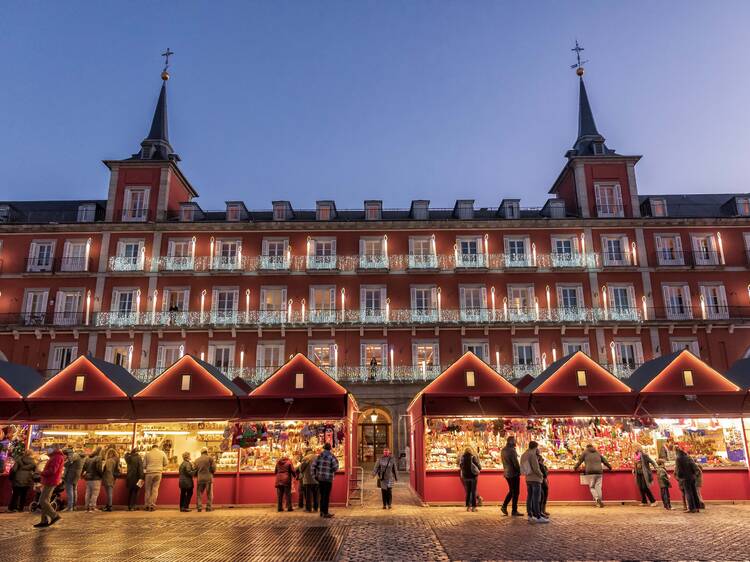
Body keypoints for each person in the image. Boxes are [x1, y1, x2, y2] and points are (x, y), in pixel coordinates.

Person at [33, 447, 65, 528]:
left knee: (42, 501)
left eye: (48, 449)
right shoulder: (55, 457)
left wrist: (41, 472)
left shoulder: (56, 457)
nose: (47, 451)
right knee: (45, 501)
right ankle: (44, 520)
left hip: (50, 481)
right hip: (49, 480)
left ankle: (54, 516)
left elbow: (52, 470)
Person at [573, 444, 612, 508]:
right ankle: (600, 501)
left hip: (590, 472)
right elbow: (604, 461)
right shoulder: (597, 452)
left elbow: (580, 461)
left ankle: (597, 500)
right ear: (592, 447)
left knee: (592, 487)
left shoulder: (585, 452)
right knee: (598, 487)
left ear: (587, 447)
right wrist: (610, 467)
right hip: (599, 472)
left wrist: (575, 467)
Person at [520, 441, 548, 523]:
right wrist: (541, 475)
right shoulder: (532, 455)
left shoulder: (524, 454)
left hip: (528, 478)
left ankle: (530, 514)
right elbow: (536, 468)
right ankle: (538, 516)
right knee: (536, 498)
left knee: (529, 497)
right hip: (535, 478)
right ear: (535, 447)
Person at [312, 443, 339, 518]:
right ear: (330, 449)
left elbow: (313, 466)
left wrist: (314, 476)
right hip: (328, 479)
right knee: (326, 496)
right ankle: (325, 512)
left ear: (324, 448)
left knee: (321, 495)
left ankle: (321, 512)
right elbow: (335, 468)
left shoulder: (319, 456)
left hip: (320, 479)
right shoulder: (331, 456)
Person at [8, 446, 36, 512]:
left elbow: (13, 470)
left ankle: (13, 508)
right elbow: (35, 473)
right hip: (27, 480)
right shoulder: (33, 463)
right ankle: (21, 508)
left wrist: (11, 478)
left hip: (17, 479)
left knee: (15, 494)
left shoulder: (19, 460)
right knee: (24, 495)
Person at [500, 436, 522, 517]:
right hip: (513, 473)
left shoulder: (503, 450)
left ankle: (504, 506)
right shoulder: (512, 451)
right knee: (515, 492)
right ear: (511, 442)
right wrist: (519, 471)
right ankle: (514, 510)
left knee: (512, 491)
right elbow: (515, 463)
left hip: (507, 473)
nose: (515, 442)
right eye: (514, 441)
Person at [143, 444, 168, 511]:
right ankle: (152, 505)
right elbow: (166, 463)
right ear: (158, 447)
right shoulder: (162, 453)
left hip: (149, 473)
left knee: (148, 489)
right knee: (155, 489)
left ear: (152, 448)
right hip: (158, 472)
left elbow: (144, 465)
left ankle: (146, 505)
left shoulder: (147, 454)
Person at [675, 448, 700, 513]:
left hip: (685, 478)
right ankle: (697, 507)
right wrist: (695, 475)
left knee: (688, 493)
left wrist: (679, 477)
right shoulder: (688, 457)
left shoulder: (678, 459)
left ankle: (691, 508)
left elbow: (678, 469)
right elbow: (694, 466)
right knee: (694, 492)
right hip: (692, 477)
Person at [458, 446, 481, 512]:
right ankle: (474, 507)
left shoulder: (462, 458)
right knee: (473, 492)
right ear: (471, 451)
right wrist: (478, 470)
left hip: (466, 477)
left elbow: (460, 466)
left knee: (468, 492)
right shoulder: (473, 457)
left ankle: (468, 507)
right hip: (473, 476)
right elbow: (478, 465)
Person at [193, 448, 216, 512]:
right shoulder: (210, 459)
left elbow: (194, 470)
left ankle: (199, 507)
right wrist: (211, 472)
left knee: (199, 494)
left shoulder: (197, 460)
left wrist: (197, 475)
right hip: (208, 478)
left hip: (200, 479)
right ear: (207, 452)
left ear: (201, 453)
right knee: (209, 494)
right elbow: (214, 468)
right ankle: (208, 507)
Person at [81, 447, 103, 512]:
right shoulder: (98, 458)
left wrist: (82, 475)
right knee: (95, 493)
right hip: (95, 478)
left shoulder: (87, 458)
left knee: (88, 493)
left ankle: (87, 507)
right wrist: (101, 475)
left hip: (88, 478)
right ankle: (92, 507)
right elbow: (99, 469)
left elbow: (84, 468)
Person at [298, 448, 319, 512]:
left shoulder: (305, 458)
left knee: (308, 495)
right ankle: (315, 508)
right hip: (316, 479)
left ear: (306, 452)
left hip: (308, 479)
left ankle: (308, 508)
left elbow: (301, 469)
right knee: (316, 495)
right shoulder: (317, 457)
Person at [536, 445, 550, 518]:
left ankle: (542, 510)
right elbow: (544, 471)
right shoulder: (538, 461)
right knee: (542, 495)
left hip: (542, 479)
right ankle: (541, 511)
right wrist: (545, 471)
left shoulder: (539, 460)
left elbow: (545, 471)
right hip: (541, 479)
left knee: (544, 494)